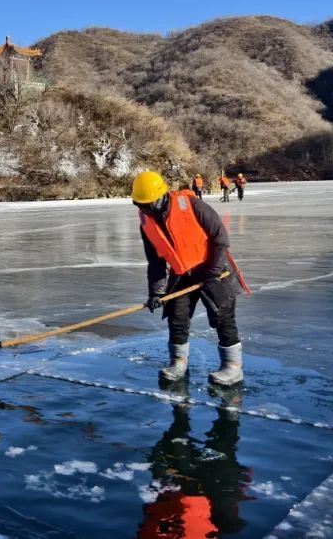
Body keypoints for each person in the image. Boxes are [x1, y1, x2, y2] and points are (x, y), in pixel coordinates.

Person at [131, 171, 249, 386]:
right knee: (177, 318)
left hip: (214, 269)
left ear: (161, 197)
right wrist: (156, 292)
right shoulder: (146, 223)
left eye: (148, 204)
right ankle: (178, 363)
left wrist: (212, 274)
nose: (144, 209)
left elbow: (220, 239)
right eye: (139, 204)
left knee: (223, 318)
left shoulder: (192, 205)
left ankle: (232, 368)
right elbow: (155, 261)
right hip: (181, 274)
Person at [137, 382, 249, 537]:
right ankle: (229, 408)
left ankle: (182, 404)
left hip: (177, 489)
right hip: (209, 495)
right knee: (223, 447)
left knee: (177, 443)